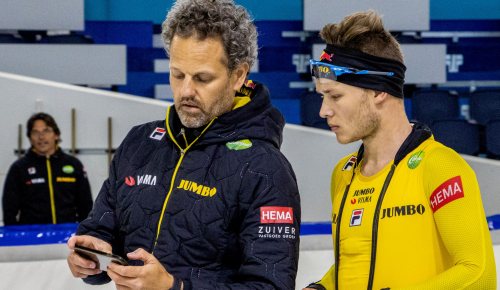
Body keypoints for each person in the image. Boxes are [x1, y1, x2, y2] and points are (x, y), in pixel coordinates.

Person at [66, 0, 301, 289]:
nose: (186, 90)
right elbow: (101, 228)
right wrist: (91, 255)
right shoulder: (139, 142)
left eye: (203, 78)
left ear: (238, 75)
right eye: (178, 74)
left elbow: (270, 286)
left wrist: (175, 287)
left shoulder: (266, 169)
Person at [304, 11, 496, 290]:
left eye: (335, 96)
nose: (324, 110)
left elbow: (478, 276)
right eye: (322, 97)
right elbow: (358, 263)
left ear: (379, 91)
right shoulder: (343, 173)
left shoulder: (441, 167)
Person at [2, 112, 93, 225]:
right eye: (35, 132)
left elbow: (86, 205)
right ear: (30, 137)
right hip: (31, 239)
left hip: (68, 237)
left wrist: (86, 233)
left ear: (56, 135)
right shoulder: (19, 168)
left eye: (46, 131)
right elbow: (9, 211)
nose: (41, 137)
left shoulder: (74, 165)